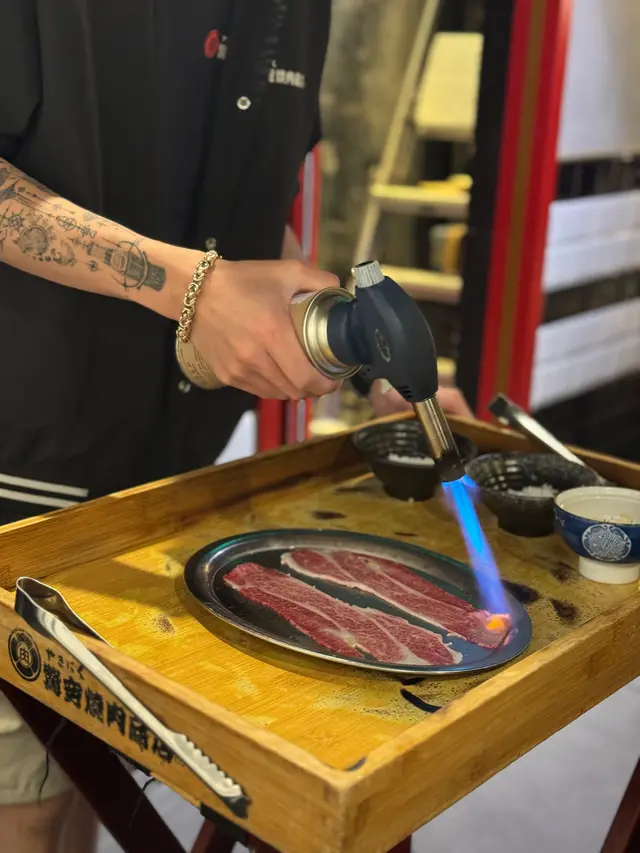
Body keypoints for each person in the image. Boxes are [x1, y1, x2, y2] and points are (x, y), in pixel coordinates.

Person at [0, 2, 471, 850]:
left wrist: (360, 353)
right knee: (22, 802)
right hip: (24, 458)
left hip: (173, 474)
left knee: (90, 770)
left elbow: (256, 212)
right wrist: (191, 288)